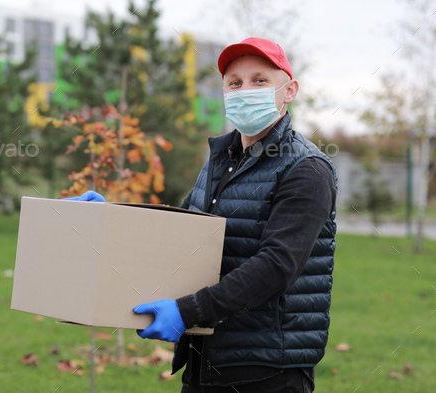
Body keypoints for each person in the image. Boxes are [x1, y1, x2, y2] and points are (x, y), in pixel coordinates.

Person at [69, 37, 337, 393]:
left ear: (289, 91)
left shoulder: (306, 169)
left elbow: (276, 266)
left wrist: (187, 312)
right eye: (234, 82)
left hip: (267, 369)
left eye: (260, 80)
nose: (245, 90)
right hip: (206, 359)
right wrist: (111, 219)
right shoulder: (220, 161)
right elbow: (179, 230)